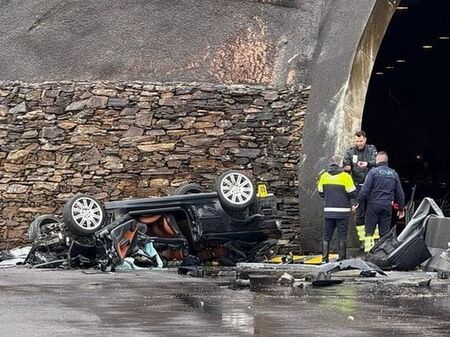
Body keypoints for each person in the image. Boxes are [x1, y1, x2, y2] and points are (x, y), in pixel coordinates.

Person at [355, 151, 405, 253]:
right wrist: (401, 208)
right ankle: (381, 254)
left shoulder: (373, 172)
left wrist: (357, 203)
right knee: (384, 233)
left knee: (369, 231)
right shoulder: (393, 173)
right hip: (387, 206)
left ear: (378, 160)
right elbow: (400, 193)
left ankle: (368, 254)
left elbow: (364, 190)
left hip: (373, 205)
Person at [317, 155, 357, 263]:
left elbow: (321, 192)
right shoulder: (346, 177)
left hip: (329, 212)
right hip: (343, 213)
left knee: (326, 237)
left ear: (331, 163)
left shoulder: (324, 176)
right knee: (342, 237)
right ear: (341, 164)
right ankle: (342, 260)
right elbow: (353, 193)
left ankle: (324, 259)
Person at [343, 130, 377, 248]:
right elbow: (346, 163)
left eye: (361, 141)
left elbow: (375, 161)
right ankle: (363, 241)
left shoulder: (371, 149)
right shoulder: (350, 152)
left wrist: (367, 164)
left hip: (371, 186)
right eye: (357, 141)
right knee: (359, 214)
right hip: (357, 186)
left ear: (365, 140)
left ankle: (373, 240)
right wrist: (346, 167)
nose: (359, 143)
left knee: (372, 212)